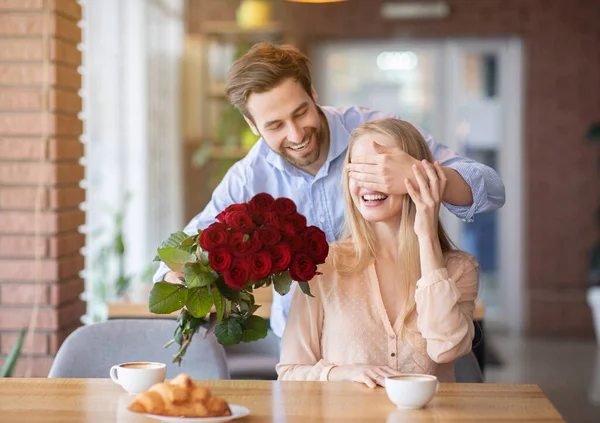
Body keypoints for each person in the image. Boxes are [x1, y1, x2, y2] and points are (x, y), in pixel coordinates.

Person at [154, 43, 503, 339]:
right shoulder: (248, 176)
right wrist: (179, 275)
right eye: (274, 125)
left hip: (404, 334)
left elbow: (490, 189)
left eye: (301, 112)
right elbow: (182, 252)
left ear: (313, 94)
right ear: (252, 125)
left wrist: (417, 173)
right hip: (305, 347)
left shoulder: (373, 135)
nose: (295, 134)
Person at [276, 118, 479, 386]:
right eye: (358, 170)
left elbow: (446, 349)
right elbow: (290, 373)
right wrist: (342, 373)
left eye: (380, 169)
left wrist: (427, 234)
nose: (368, 182)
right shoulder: (321, 265)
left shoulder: (460, 269)